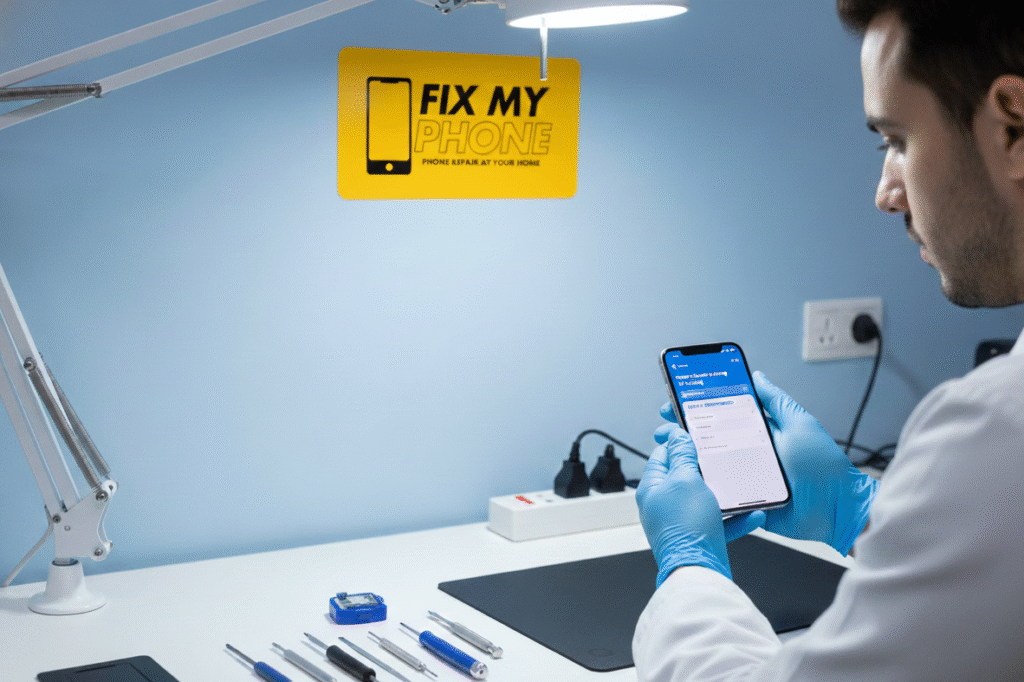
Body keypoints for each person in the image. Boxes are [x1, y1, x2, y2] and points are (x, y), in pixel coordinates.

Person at [632, 2, 1024, 680]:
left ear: (1012, 125)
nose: (886, 194)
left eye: (897, 140)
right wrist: (858, 512)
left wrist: (689, 569)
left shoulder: (999, 429)